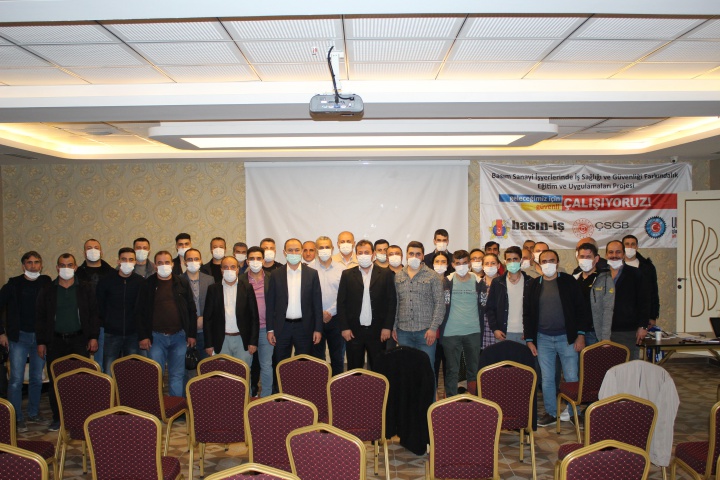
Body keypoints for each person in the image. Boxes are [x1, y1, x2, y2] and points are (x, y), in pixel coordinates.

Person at [523, 249, 589, 427]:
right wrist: (529, 340)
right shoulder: (533, 285)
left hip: (567, 338)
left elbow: (581, 309)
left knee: (571, 377)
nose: (548, 264)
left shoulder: (569, 282)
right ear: (539, 264)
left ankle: (575, 412)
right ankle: (551, 413)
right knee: (547, 379)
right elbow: (527, 314)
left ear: (557, 263)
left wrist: (580, 335)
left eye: (551, 260)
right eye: (544, 261)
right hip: (543, 339)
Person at [36, 253, 99, 431]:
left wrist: (93, 336)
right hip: (55, 342)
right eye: (62, 265)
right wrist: (41, 342)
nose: (66, 268)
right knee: (56, 382)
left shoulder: (85, 288)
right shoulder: (48, 289)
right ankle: (58, 418)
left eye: (69, 265)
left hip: (79, 340)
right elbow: (40, 317)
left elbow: (94, 313)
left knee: (81, 381)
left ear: (75, 267)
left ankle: (82, 418)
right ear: (57, 268)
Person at [0, 251, 52, 431]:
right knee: (16, 379)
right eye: (29, 263)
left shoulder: (46, 283)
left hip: (40, 338)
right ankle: (16, 417)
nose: (33, 266)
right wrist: (1, 333)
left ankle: (33, 413)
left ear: (41, 265)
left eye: (36, 262)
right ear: (23, 266)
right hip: (19, 338)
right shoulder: (13, 284)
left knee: (37, 378)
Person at [136, 251, 197, 398]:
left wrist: (191, 334)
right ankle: (156, 407)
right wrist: (143, 336)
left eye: (167, 262)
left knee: (177, 374)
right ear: (155, 266)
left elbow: (191, 310)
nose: (164, 266)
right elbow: (140, 312)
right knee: (155, 375)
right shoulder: (147, 284)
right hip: (155, 338)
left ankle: (176, 406)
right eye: (160, 263)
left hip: (179, 336)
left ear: (172, 264)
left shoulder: (182, 283)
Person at [337, 239, 396, 371]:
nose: (363, 255)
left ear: (373, 254)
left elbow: (391, 302)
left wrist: (387, 327)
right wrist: (345, 328)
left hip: (378, 331)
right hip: (353, 332)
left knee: (378, 369)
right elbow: (341, 303)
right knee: (354, 370)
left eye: (367, 252)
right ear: (356, 255)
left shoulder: (385, 274)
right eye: (360, 253)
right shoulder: (347, 274)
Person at [266, 238, 323, 370]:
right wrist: (270, 330)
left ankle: (302, 385)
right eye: (290, 250)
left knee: (304, 366)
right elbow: (270, 304)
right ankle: (279, 384)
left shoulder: (312, 274)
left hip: (304, 327)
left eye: (297, 250)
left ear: (302, 251)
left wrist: (318, 329)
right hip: (282, 328)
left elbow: (317, 304)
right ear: (284, 252)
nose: (294, 253)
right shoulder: (275, 274)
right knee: (280, 365)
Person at [392, 241, 444, 375]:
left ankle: (429, 391)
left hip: (426, 332)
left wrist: (433, 328)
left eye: (418, 254)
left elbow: (440, 303)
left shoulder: (433, 276)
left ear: (422, 256)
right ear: (406, 255)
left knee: (427, 371)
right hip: (403, 332)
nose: (414, 257)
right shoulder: (398, 276)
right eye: (411, 254)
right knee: (407, 371)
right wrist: (394, 326)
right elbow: (396, 303)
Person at [440, 249, 482, 396]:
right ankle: (450, 401)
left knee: (474, 370)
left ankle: (474, 401)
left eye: (464, 263)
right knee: (452, 370)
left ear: (469, 263)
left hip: (473, 331)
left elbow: (483, 305)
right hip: (451, 333)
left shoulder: (478, 281)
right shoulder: (446, 282)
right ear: (453, 264)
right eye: (458, 263)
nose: (461, 266)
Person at [95, 247, 144, 374]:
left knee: (132, 372)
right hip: (111, 333)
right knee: (109, 370)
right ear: (118, 261)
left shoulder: (141, 282)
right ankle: (110, 389)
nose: (127, 262)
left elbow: (143, 308)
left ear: (135, 262)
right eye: (124, 259)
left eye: (131, 259)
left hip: (133, 334)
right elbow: (99, 306)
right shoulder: (106, 281)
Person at [203, 256, 259, 366]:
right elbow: (208, 319)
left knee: (243, 372)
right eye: (226, 267)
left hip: (242, 340)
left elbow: (254, 317)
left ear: (238, 269)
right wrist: (208, 344)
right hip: (221, 340)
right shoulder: (213, 289)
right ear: (221, 270)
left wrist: (253, 342)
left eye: (233, 267)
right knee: (222, 374)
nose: (229, 270)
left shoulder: (247, 287)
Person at [606, 240, 650, 359]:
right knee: (607, 364)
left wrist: (643, 326)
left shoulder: (635, 274)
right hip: (604, 330)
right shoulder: (601, 274)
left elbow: (644, 301)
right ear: (606, 255)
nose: (614, 255)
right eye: (611, 252)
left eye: (618, 252)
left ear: (624, 254)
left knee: (629, 365)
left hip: (628, 331)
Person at [76, 238, 114, 370]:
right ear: (84, 253)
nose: (93, 250)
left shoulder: (111, 273)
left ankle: (103, 384)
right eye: (89, 248)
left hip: (105, 324)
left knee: (103, 364)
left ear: (101, 252)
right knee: (81, 364)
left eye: (96, 248)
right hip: (82, 324)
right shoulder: (77, 274)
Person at [310, 236, 345, 376]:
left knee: (337, 356)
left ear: (332, 249)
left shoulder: (342, 269)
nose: (324, 250)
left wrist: (330, 311)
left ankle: (337, 385)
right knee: (317, 358)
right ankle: (320, 386)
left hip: (336, 319)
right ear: (316, 250)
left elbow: (343, 295)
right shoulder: (309, 269)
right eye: (321, 247)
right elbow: (306, 296)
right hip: (315, 320)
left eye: (327, 247)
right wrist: (320, 313)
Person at [486, 246, 533, 344]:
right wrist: (495, 329)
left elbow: (534, 309)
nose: (512, 262)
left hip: (524, 334)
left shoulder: (530, 282)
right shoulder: (497, 282)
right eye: (509, 260)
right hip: (503, 334)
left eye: (515, 259)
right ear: (505, 262)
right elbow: (490, 308)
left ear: (521, 260)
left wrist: (530, 332)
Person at [182, 248, 214, 383]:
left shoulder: (209, 279)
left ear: (201, 261)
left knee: (207, 368)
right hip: (186, 333)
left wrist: (204, 319)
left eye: (196, 259)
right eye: (189, 259)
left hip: (205, 332)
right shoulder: (178, 280)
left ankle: (206, 394)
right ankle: (187, 395)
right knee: (188, 370)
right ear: (184, 262)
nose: (193, 262)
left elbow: (214, 305)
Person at [573, 242, 614, 345]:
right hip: (577, 333)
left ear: (596, 259)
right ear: (577, 258)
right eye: (582, 256)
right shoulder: (574, 279)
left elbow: (608, 309)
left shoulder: (605, 279)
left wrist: (605, 337)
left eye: (588, 257)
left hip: (595, 333)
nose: (585, 259)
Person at [246, 246, 273, 396]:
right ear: (247, 261)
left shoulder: (272, 277)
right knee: (246, 366)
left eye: (258, 258)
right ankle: (247, 397)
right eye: (252, 259)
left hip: (266, 329)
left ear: (263, 260)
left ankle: (266, 398)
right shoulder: (240, 279)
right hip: (247, 331)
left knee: (266, 365)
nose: (255, 261)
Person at [622, 234, 659, 326]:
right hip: (622, 315)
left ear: (637, 247)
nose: (630, 247)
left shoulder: (647, 267)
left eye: (633, 244)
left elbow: (653, 292)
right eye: (627, 244)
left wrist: (653, 316)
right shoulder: (616, 266)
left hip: (642, 313)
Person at [479, 253, 501, 349]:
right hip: (482, 330)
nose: (490, 266)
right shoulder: (478, 284)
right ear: (482, 266)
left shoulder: (504, 283)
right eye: (487, 263)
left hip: (499, 329)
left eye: (493, 263)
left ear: (498, 265)